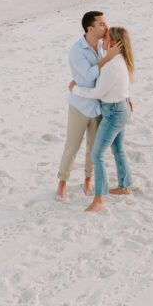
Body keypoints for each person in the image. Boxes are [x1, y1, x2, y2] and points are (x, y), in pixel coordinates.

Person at [56, 11, 122, 201]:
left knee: (93, 148)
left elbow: (113, 72)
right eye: (101, 24)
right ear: (90, 28)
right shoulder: (77, 51)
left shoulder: (104, 45)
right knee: (72, 146)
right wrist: (107, 58)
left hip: (99, 106)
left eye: (105, 23)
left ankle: (87, 180)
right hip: (80, 105)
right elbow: (88, 75)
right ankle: (62, 182)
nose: (106, 27)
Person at [69, 26, 134, 213]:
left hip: (114, 112)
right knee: (118, 149)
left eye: (105, 38)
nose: (102, 41)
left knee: (97, 155)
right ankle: (124, 184)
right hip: (120, 108)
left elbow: (96, 92)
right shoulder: (120, 61)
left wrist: (74, 88)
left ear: (113, 43)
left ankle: (98, 199)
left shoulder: (111, 66)